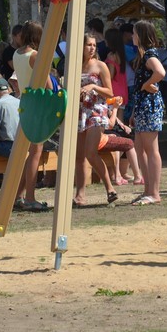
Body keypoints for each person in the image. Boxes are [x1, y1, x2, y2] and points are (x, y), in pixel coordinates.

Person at [73, 33, 118, 207]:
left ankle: (110, 188)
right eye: (88, 45)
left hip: (96, 112)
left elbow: (110, 92)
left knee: (90, 153)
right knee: (79, 156)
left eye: (93, 45)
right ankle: (80, 195)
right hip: (79, 112)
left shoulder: (100, 66)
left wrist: (93, 86)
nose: (91, 48)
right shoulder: (74, 66)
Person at [12, 21, 51, 211]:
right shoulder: (35, 56)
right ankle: (30, 197)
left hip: (24, 103)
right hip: (37, 106)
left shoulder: (16, 53)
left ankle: (18, 195)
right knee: (35, 153)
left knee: (26, 154)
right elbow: (48, 86)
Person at [129, 20, 166, 206]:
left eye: (135, 33)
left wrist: (147, 84)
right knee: (139, 148)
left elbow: (160, 72)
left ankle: (155, 192)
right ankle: (148, 189)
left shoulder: (149, 55)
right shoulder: (143, 56)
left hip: (150, 106)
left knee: (151, 149)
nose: (132, 36)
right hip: (143, 105)